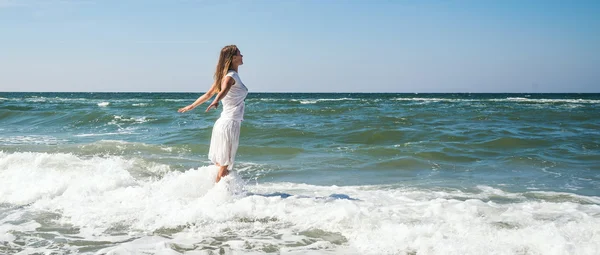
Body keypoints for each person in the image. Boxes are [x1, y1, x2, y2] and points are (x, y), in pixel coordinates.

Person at [178, 45, 248, 183]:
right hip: (229, 124)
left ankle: (217, 194)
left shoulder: (225, 76)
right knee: (225, 165)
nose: (242, 55)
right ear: (233, 58)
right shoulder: (230, 76)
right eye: (240, 54)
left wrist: (192, 106)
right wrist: (216, 100)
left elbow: (208, 94)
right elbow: (224, 90)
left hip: (224, 123)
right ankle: (217, 197)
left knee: (221, 164)